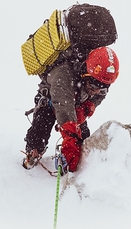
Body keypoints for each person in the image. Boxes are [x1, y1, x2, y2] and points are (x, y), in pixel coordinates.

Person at [22, 45, 120, 175]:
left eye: (102, 88)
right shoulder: (63, 75)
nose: (97, 91)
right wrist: (70, 136)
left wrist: (87, 107)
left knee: (83, 139)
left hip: (75, 104)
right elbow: (63, 107)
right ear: (86, 73)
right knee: (40, 134)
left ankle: (82, 169)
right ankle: (33, 152)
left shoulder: (100, 78)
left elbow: (100, 95)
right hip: (50, 102)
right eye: (95, 85)